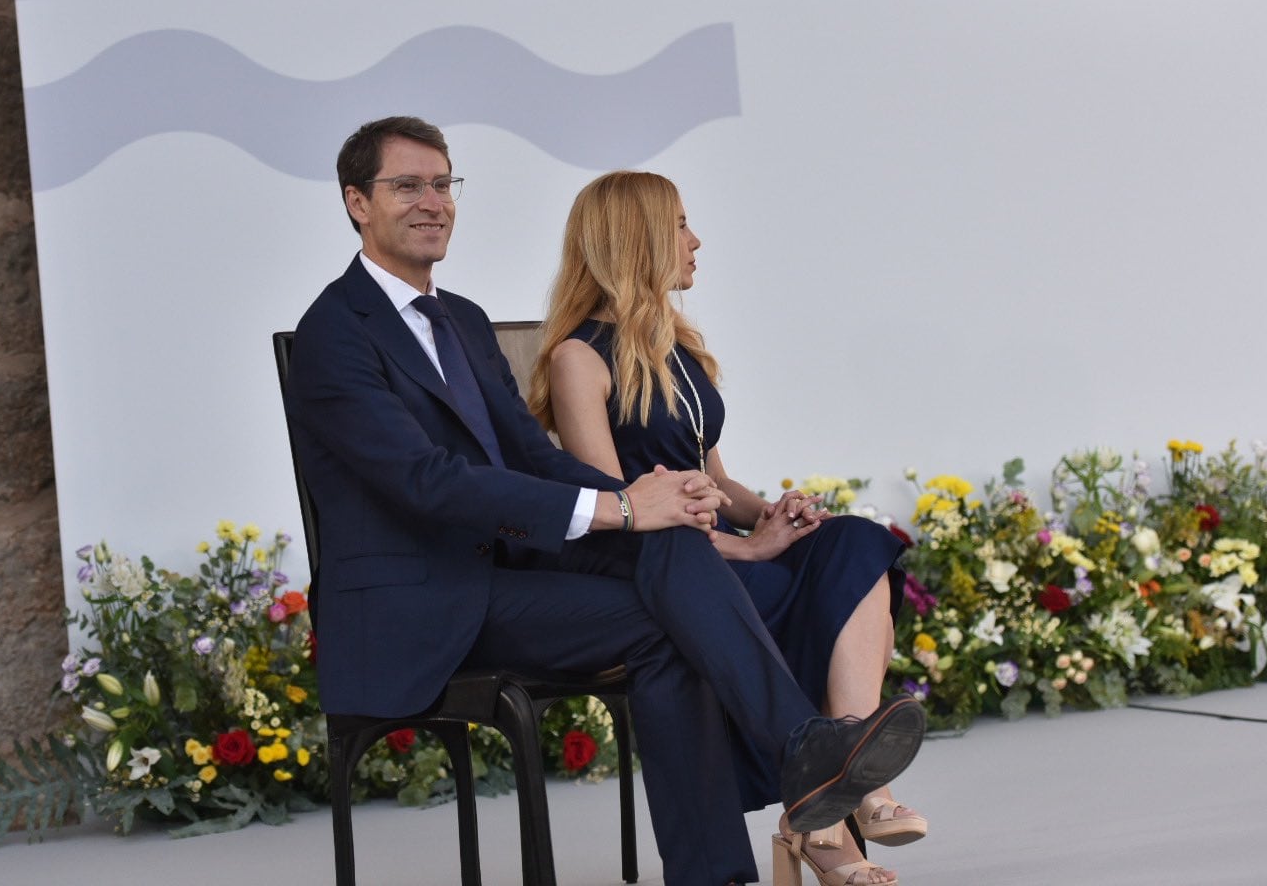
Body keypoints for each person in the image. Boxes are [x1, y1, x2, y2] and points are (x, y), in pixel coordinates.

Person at [286, 117, 925, 886]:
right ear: (358, 203)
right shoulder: (335, 333)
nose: (433, 201)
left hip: (508, 577)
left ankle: (786, 778)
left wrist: (651, 501)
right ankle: (799, 763)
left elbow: (530, 456)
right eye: (407, 186)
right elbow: (428, 483)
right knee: (666, 600)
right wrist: (621, 510)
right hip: (421, 605)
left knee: (675, 561)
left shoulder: (459, 320)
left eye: (443, 183)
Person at [529, 170, 926, 886]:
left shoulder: (679, 348)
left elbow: (717, 479)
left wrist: (773, 515)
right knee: (750, 574)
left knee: (855, 539)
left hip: (716, 551)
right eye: (680, 225)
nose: (695, 240)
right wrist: (745, 545)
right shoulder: (576, 359)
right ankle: (831, 808)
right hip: (663, 564)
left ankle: (848, 780)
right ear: (637, 238)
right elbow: (622, 513)